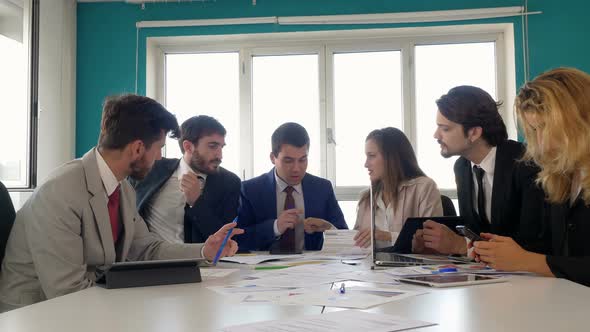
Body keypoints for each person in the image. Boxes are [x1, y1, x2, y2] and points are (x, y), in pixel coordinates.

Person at [0, 95, 243, 311]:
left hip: (83, 305)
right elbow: (67, 291)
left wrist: (204, 250)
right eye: (159, 148)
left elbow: (146, 248)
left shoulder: (122, 188)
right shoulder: (60, 192)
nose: (160, 156)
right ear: (138, 148)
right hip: (34, 313)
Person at [474, 67, 590, 286]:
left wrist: (528, 260)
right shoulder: (560, 178)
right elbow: (557, 253)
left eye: (545, 127)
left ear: (581, 120)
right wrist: (501, 253)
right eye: (534, 130)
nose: (542, 143)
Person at [412, 85, 544, 255]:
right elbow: (473, 234)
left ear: (474, 133)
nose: (436, 135)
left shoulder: (525, 163)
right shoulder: (462, 167)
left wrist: (461, 246)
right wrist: (437, 247)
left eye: (445, 129)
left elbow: (532, 242)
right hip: (491, 274)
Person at [236, 122, 348, 251]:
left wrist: (329, 228)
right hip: (264, 268)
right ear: (273, 158)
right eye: (288, 161)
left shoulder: (322, 188)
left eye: (302, 160)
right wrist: (275, 227)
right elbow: (238, 240)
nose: (296, 168)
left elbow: (345, 237)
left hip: (314, 268)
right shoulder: (250, 190)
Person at [132, 115, 241, 244]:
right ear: (188, 147)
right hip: (150, 260)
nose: (219, 155)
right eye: (213, 146)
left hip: (201, 261)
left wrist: (197, 203)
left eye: (221, 147)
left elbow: (226, 240)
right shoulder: (152, 169)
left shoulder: (229, 183)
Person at [353, 127, 443, 249]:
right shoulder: (366, 197)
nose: (366, 164)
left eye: (372, 156)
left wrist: (387, 236)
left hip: (412, 267)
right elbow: (355, 243)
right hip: (372, 267)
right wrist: (329, 229)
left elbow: (432, 241)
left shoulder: (424, 188)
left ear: (392, 157)